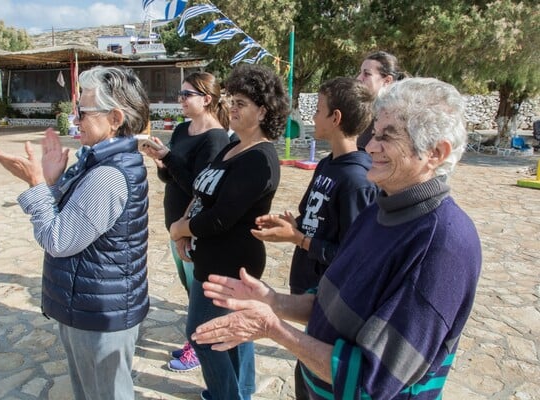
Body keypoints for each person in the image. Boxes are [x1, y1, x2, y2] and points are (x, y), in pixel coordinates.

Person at [192, 78, 482, 400]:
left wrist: (274, 328)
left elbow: (371, 381)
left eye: (387, 137)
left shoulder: (443, 245)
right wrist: (274, 301)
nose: (370, 146)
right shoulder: (381, 208)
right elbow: (334, 298)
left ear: (435, 153)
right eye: (374, 133)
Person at [0, 65, 150, 400]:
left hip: (100, 312)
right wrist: (50, 181)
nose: (75, 119)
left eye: (82, 111)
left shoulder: (107, 175)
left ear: (115, 118)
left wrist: (35, 184)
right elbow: (73, 217)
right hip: (93, 302)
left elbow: (58, 239)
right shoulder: (100, 161)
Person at [250, 77, 379, 399]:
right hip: (307, 290)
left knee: (317, 383)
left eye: (319, 110)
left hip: (331, 300)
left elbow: (353, 259)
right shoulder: (327, 164)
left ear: (336, 118)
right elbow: (317, 222)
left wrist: (299, 239)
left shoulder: (357, 181)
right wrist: (291, 224)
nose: (313, 117)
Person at [169, 64, 290, 400]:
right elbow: (202, 190)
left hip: (230, 263)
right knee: (233, 333)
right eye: (232, 101)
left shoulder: (260, 159)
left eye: (242, 103)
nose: (232, 108)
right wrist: (183, 229)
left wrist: (182, 227)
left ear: (263, 110)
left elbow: (222, 216)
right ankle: (242, 392)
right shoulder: (232, 146)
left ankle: (226, 396)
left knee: (203, 335)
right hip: (211, 257)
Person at [142, 72, 231, 372]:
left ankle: (198, 346)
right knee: (188, 288)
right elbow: (172, 176)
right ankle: (198, 340)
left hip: (193, 228)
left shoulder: (217, 138)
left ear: (206, 99)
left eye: (186, 94)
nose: (180, 99)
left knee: (199, 292)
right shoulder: (181, 130)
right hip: (175, 224)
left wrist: (170, 158)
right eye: (180, 94)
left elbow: (201, 187)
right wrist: (161, 161)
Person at [356, 50, 407, 149]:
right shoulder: (364, 112)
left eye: (366, 74)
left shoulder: (396, 117)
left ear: (387, 80)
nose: (358, 78)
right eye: (360, 72)